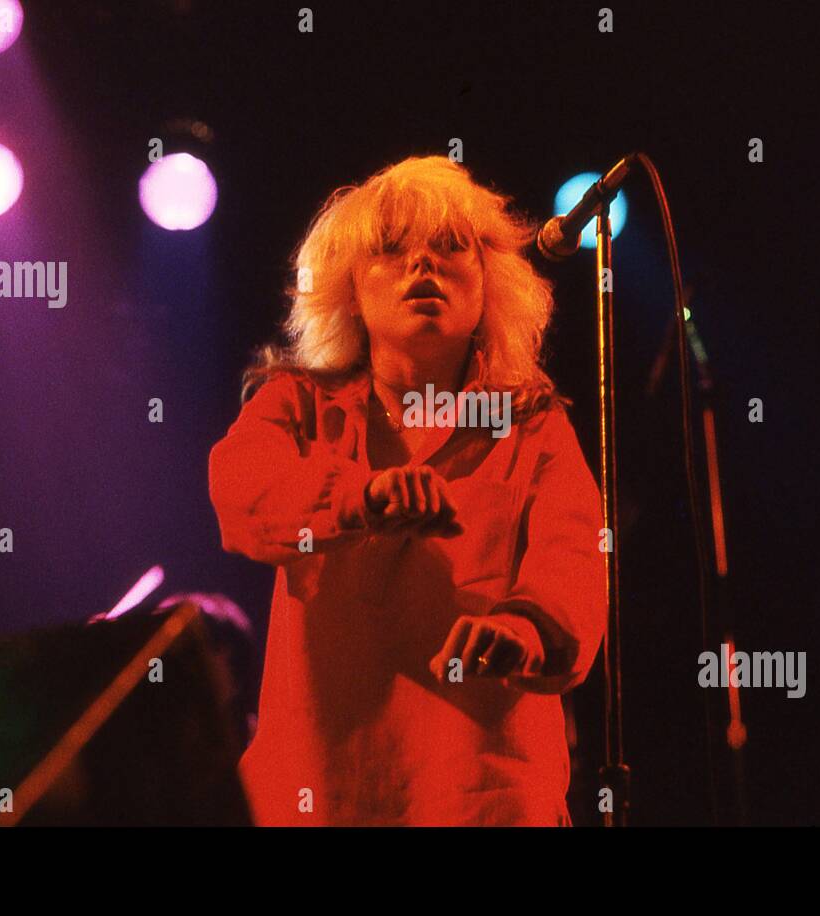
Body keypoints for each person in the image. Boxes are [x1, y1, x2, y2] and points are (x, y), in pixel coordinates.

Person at [208, 155, 607, 826]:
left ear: (489, 281)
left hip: (487, 799)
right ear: (349, 288)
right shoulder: (294, 405)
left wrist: (527, 631)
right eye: (393, 251)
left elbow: (573, 561)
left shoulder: (532, 424)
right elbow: (241, 494)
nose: (424, 267)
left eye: (450, 248)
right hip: (321, 796)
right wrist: (359, 498)